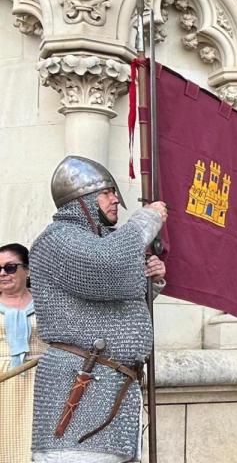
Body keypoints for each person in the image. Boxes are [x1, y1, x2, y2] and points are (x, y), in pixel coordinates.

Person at [30, 156, 168, 463]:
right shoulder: (58, 239)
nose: (116, 199)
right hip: (81, 384)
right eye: (106, 192)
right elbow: (106, 266)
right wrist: (146, 220)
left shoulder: (103, 245)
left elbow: (116, 305)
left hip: (114, 386)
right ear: (82, 200)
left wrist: (150, 281)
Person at [1, 243, 46, 463]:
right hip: (3, 381)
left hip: (42, 382)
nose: (2, 273)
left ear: (27, 270)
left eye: (9, 267)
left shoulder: (47, 304)